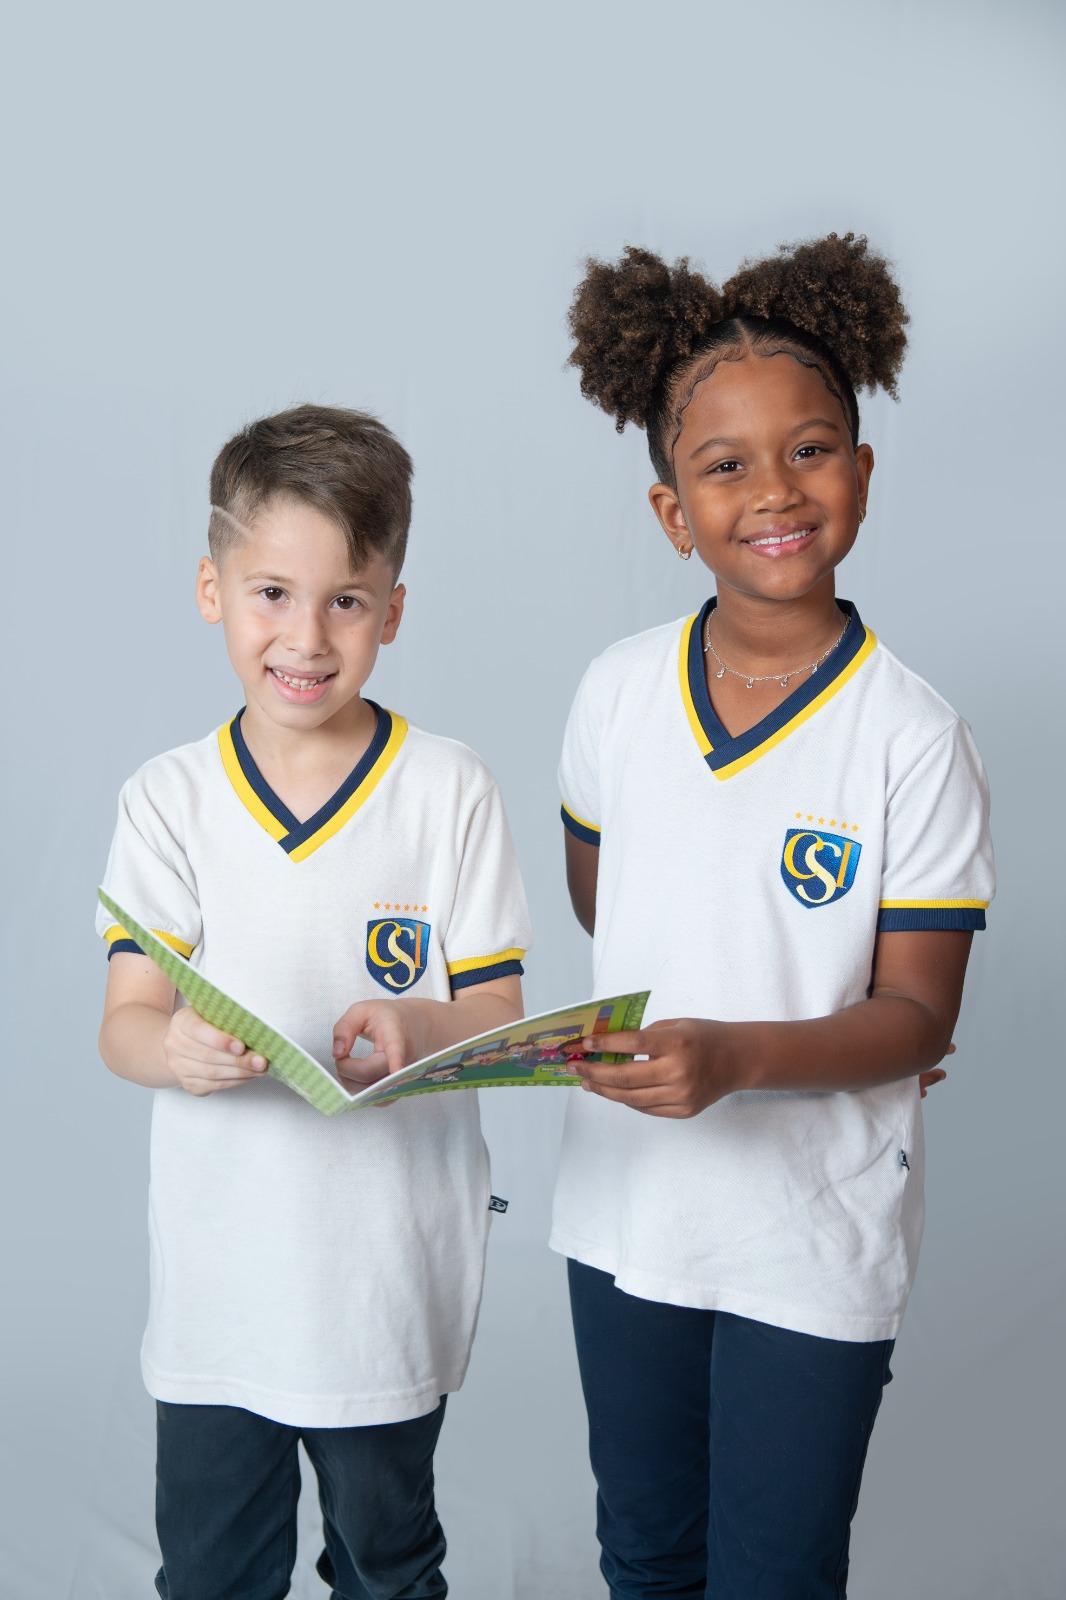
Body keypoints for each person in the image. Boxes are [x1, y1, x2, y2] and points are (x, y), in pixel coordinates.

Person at [553, 234, 994, 1599]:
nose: (773, 493)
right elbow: (609, 896)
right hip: (624, 1214)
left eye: (808, 451)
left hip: (812, 1229)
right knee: (646, 1555)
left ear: (860, 468)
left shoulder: (910, 736)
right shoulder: (618, 692)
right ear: (670, 511)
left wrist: (750, 1051)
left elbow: (915, 1014)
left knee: (775, 1573)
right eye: (724, 466)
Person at [96, 404, 531, 1600]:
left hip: (385, 1277)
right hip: (220, 1290)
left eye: (345, 600)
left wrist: (419, 1025)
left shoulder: (448, 788)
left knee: (387, 1567)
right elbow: (124, 1020)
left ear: (393, 609)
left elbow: (498, 1012)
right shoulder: (168, 799)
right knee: (210, 1574)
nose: (305, 635)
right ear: (212, 589)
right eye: (272, 593)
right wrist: (176, 1047)